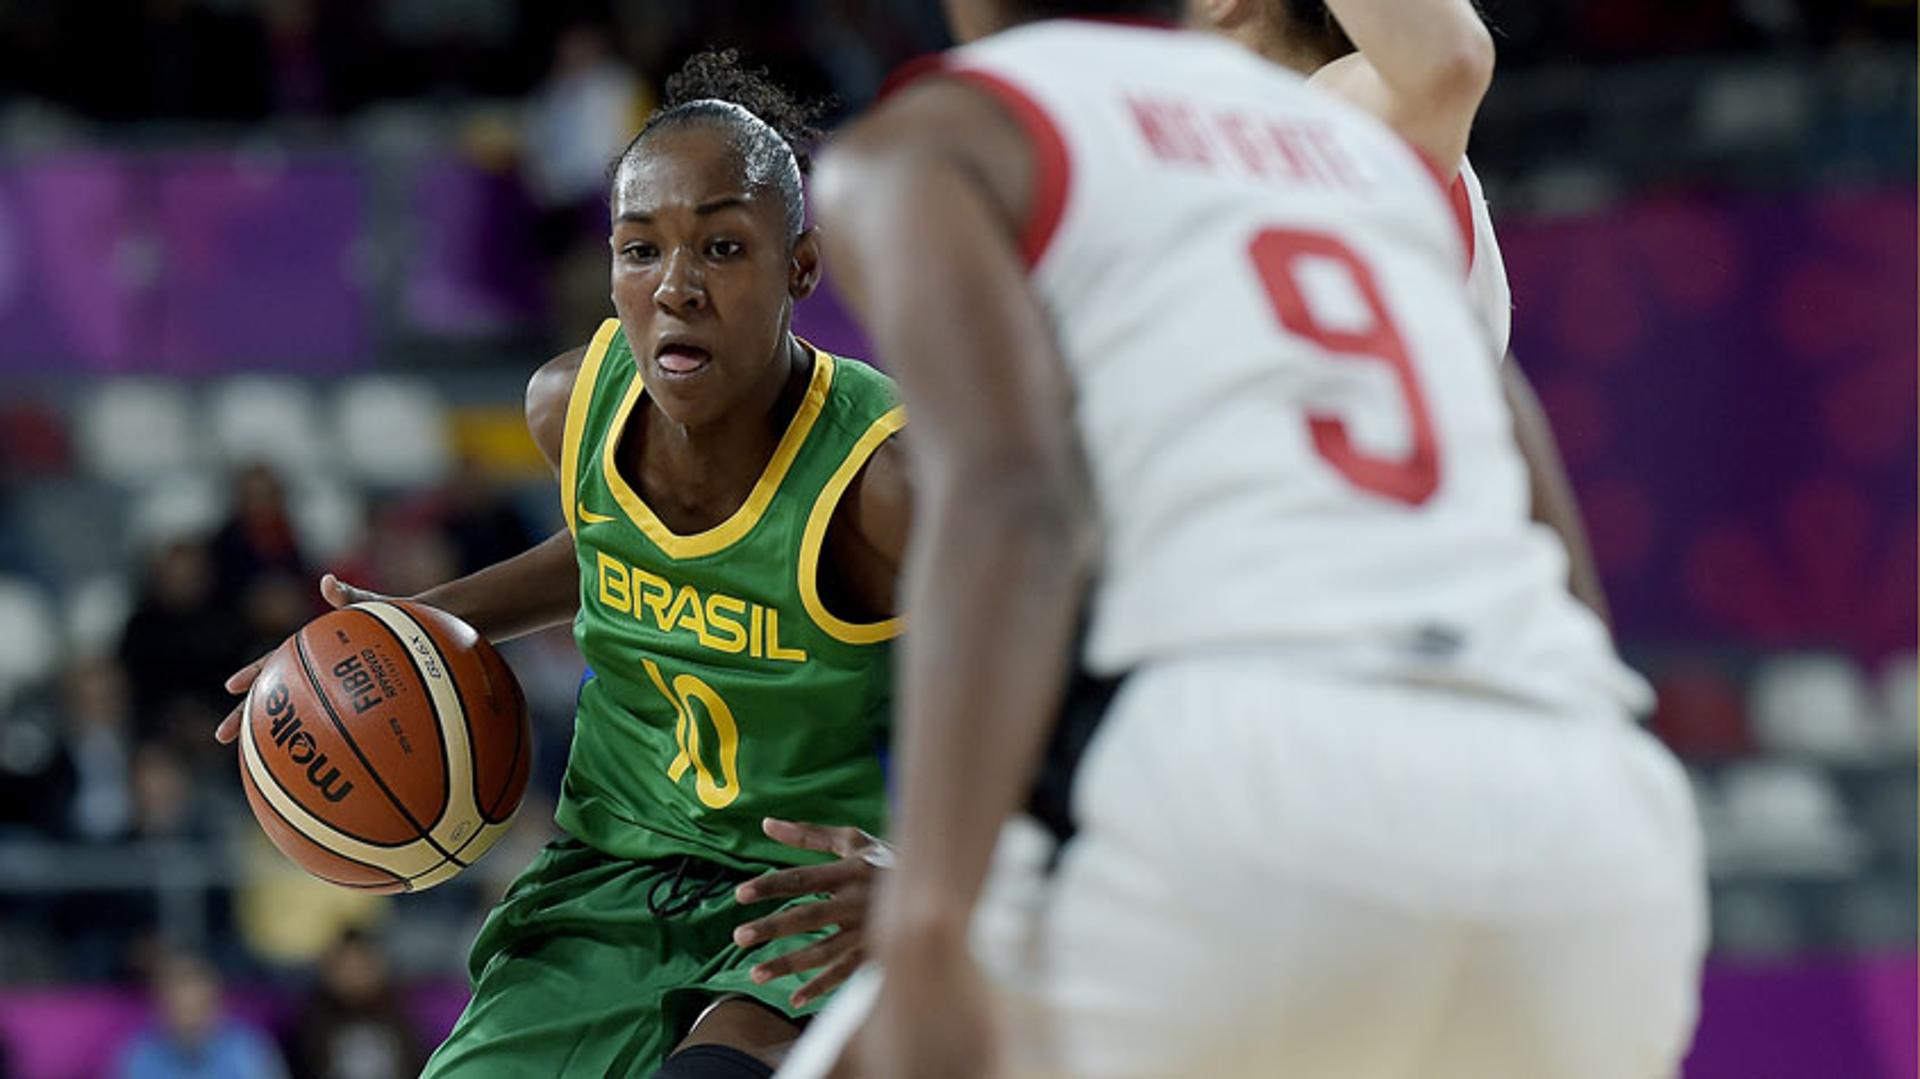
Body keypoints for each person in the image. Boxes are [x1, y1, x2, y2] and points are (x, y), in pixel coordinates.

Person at [785, 0, 1705, 1076]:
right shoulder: (1353, 157)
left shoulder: (953, 135)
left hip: (1252, 765)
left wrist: (932, 913)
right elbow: (1539, 525)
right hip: (1585, 804)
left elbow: (1009, 506)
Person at [218, 50, 907, 1078]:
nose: (676, 287)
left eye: (722, 246)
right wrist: (407, 626)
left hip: (805, 901)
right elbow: (609, 551)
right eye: (641, 250)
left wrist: (927, 876)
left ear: (800, 266)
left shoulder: (885, 486)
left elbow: (1038, 687)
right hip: (612, 877)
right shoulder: (570, 404)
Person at [1191, 0, 1611, 620]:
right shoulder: (1183, 137)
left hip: (1370, 610)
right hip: (1306, 605)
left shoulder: (1333, 116)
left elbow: (1449, 59)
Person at [117, 951, 287, 1079]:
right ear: (161, 1006)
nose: (188, 1015)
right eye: (178, 1005)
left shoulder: (249, 1052)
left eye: (196, 1005)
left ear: (216, 1002)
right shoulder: (137, 1057)